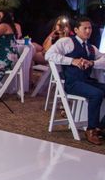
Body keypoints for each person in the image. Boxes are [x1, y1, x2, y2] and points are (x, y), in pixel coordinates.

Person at [45, 16, 105, 145]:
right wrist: (72, 61)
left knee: (100, 90)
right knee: (97, 94)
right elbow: (48, 55)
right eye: (85, 28)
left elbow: (104, 59)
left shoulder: (91, 47)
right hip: (72, 83)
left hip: (86, 81)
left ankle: (100, 126)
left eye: (90, 28)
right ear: (77, 30)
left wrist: (92, 63)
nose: (88, 31)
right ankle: (91, 130)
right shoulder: (66, 42)